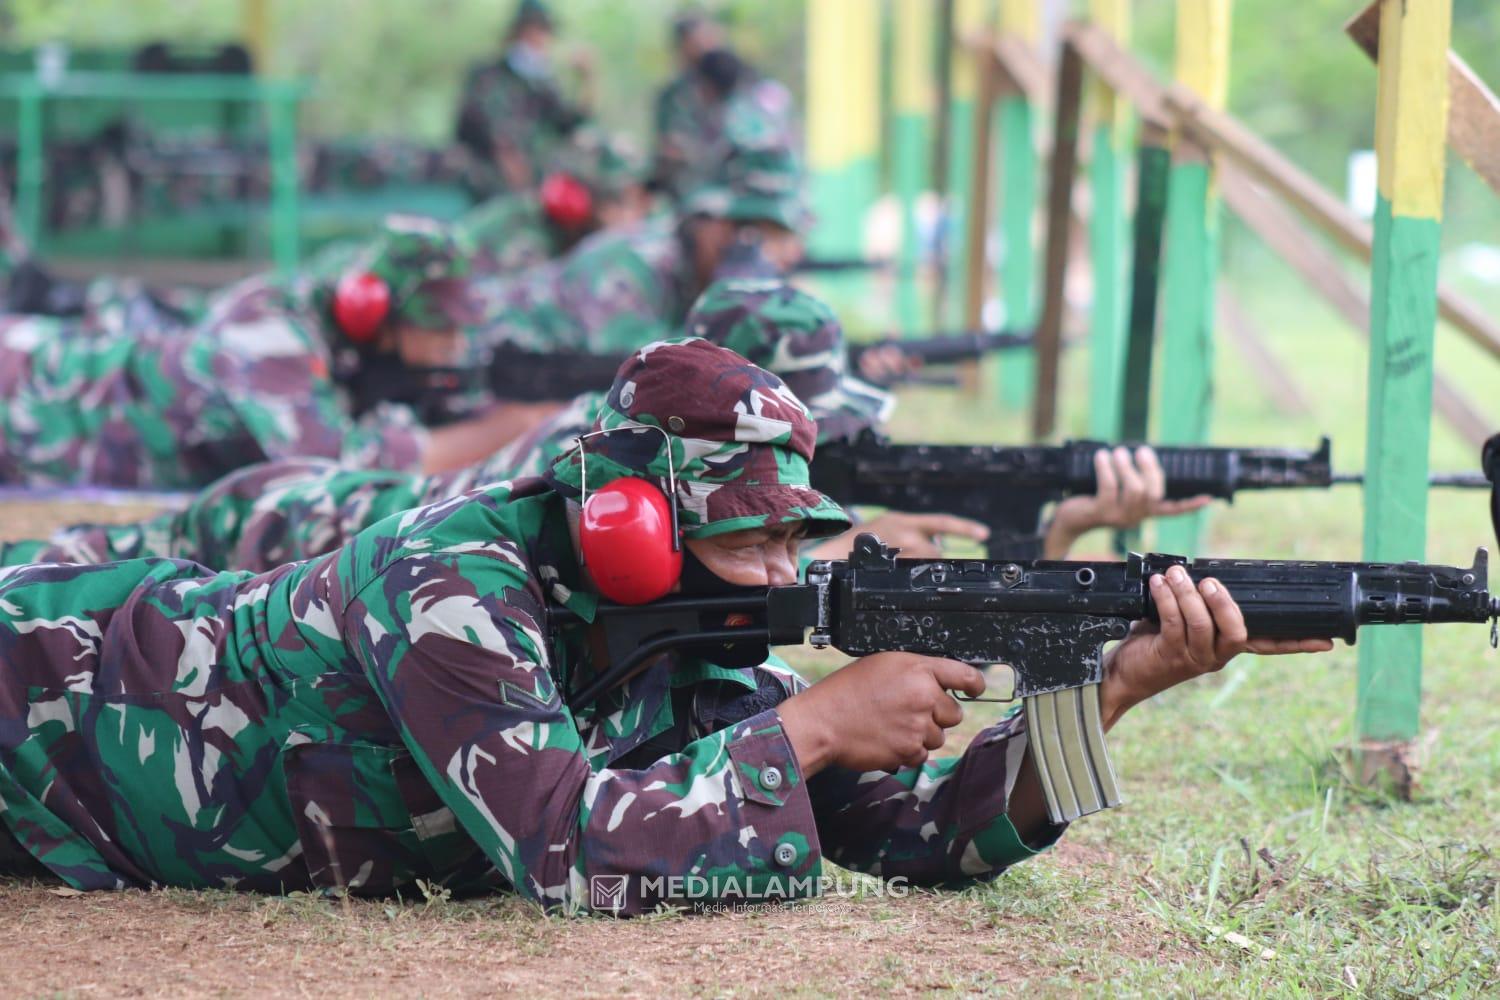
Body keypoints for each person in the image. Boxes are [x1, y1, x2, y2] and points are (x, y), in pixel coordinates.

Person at [0, 337, 1330, 908]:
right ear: (626, 520)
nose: (776, 572)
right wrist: (815, 725)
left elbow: (926, 839)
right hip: (41, 697)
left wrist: (1115, 684)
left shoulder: (686, 648)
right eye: (745, 534)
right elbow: (568, 850)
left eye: (788, 535)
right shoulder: (451, 576)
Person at [4, 281, 1208, 572]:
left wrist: (1054, 529)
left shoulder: (680, 473)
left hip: (324, 527)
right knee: (68, 580)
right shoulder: (601, 479)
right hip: (296, 527)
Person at [0, 217, 556, 489]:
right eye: (438, 329)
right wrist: (516, 426)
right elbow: (341, 469)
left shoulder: (359, 353)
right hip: (30, 401)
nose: (453, 348)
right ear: (371, 311)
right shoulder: (269, 324)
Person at [473, 140, 809, 359]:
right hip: (477, 353)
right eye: (776, 238)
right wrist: (730, 313)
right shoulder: (627, 264)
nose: (789, 256)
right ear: (722, 229)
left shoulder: (692, 271)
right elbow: (651, 383)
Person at [454, 0, 592, 197]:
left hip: (529, 175)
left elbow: (568, 125)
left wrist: (587, 81)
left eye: (543, 32)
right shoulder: (486, 75)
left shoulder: (543, 85)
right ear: (516, 33)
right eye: (532, 31)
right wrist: (502, 152)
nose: (538, 40)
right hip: (485, 168)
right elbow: (468, 123)